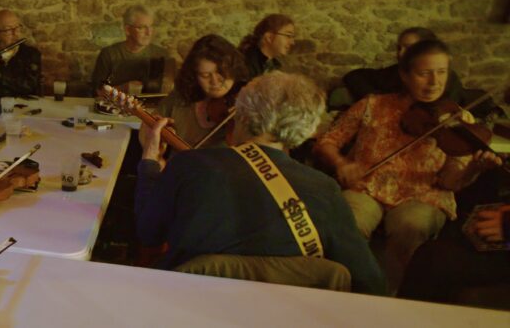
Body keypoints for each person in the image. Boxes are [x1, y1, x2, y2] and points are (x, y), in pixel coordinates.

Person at [135, 72, 386, 295]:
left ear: (241, 113)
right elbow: (370, 283)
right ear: (306, 128)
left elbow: (147, 232)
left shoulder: (190, 164)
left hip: (187, 309)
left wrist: (150, 162)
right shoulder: (324, 188)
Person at [314, 39, 502, 293]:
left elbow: (449, 182)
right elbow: (328, 141)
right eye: (424, 73)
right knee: (349, 218)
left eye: (442, 72)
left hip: (424, 195)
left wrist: (474, 169)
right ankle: (352, 289)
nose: (434, 82)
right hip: (367, 187)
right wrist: (341, 163)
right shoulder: (372, 104)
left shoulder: (459, 119)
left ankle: (396, 293)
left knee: (411, 225)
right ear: (404, 74)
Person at [157, 34, 249, 149]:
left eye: (221, 72)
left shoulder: (248, 98)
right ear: (194, 75)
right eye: (205, 75)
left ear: (234, 69)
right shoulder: (179, 99)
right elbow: (146, 136)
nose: (215, 81)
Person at [342, 27, 465, 104]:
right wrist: (378, 99)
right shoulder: (395, 71)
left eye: (408, 47)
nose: (400, 53)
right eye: (399, 47)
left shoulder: (448, 78)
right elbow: (354, 76)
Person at [91, 5, 170, 95]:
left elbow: (169, 92)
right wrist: (123, 88)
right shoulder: (109, 54)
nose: (149, 33)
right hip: (116, 107)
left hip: (151, 107)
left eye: (151, 26)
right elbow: (97, 91)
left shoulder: (161, 54)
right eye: (142, 27)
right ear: (127, 30)